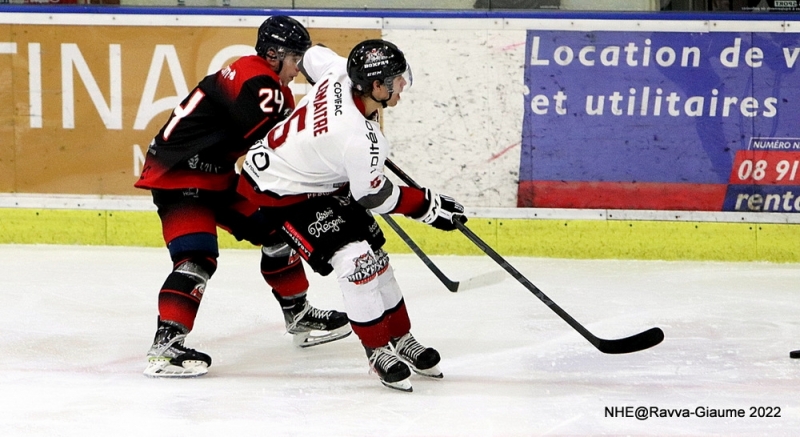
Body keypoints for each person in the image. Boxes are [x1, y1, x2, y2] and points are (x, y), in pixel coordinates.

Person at [237, 40, 466, 392]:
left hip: (320, 178)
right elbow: (373, 195)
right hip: (279, 191)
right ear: (375, 87)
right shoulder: (360, 139)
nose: (403, 84)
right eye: (396, 79)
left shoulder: (340, 71)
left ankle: (401, 337)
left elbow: (313, 55)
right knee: (356, 260)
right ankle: (377, 350)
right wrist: (429, 207)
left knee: (376, 257)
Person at [134, 16, 351, 378]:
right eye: (295, 58)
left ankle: (297, 314)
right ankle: (166, 344)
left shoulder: (259, 79)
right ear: (272, 54)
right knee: (196, 258)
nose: (299, 68)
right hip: (179, 177)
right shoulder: (259, 83)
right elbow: (274, 148)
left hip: (213, 175)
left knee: (276, 232)